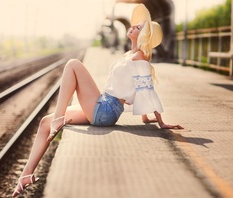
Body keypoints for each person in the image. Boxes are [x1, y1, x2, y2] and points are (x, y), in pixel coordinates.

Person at [12, 3, 183, 197]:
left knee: (73, 65)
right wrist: (145, 118)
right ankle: (26, 175)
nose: (133, 26)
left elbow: (147, 89)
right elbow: (136, 88)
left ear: (144, 36)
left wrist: (160, 121)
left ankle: (59, 119)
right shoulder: (129, 55)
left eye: (139, 27)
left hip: (106, 110)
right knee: (44, 123)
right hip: (103, 106)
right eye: (135, 25)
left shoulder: (140, 57)